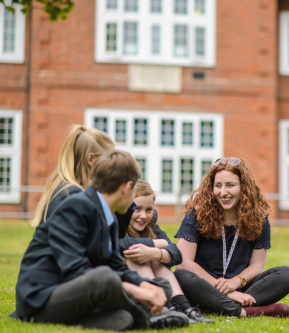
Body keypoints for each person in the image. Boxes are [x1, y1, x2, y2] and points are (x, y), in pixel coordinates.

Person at [11, 150, 189, 330]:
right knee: (104, 279)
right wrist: (136, 291)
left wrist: (144, 285)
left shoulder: (108, 214)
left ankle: (119, 318)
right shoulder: (76, 206)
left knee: (160, 287)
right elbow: (77, 271)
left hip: (82, 293)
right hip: (43, 298)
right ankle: (147, 316)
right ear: (127, 187)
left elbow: (114, 264)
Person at [174, 157, 289, 318]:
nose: (223, 192)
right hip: (203, 284)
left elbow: (257, 265)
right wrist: (223, 290)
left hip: (241, 287)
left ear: (243, 187)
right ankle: (245, 310)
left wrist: (235, 283)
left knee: (286, 274)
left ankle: (214, 306)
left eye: (230, 185)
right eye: (218, 186)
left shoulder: (259, 219)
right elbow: (184, 263)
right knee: (181, 276)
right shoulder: (196, 215)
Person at [120, 180, 212, 324]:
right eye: (137, 209)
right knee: (138, 255)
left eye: (148, 210)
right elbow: (122, 244)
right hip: (126, 286)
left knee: (157, 258)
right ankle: (165, 308)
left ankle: (185, 309)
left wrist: (156, 253)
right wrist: (157, 244)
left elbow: (176, 253)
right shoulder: (117, 223)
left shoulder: (150, 225)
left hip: (150, 279)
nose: (143, 216)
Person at [31, 124, 114, 226]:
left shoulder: (65, 188)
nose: (113, 165)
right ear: (91, 159)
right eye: (109, 159)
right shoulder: (73, 195)